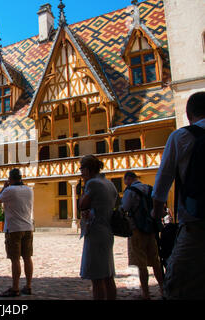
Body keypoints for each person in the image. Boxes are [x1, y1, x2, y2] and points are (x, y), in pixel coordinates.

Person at [152, 92, 205, 300]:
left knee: (176, 282)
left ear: (188, 114)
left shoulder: (181, 136)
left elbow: (162, 183)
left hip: (196, 224)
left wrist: (156, 215)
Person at [78, 155, 118, 300]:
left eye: (82, 169)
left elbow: (82, 205)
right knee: (108, 274)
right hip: (108, 231)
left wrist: (84, 186)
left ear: (88, 169)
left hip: (96, 232)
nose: (81, 172)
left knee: (97, 277)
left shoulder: (92, 183)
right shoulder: (110, 183)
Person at [121, 171, 163, 299]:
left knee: (141, 262)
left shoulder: (130, 191)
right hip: (150, 229)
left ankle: (145, 292)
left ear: (128, 179)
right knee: (156, 260)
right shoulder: (149, 188)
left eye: (125, 181)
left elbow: (125, 208)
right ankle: (163, 288)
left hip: (136, 229)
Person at [0, 168, 34, 297]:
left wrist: (4, 187)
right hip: (28, 227)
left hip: (13, 229)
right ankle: (28, 286)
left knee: (15, 259)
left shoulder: (9, 190)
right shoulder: (29, 190)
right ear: (21, 178)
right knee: (27, 258)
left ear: (10, 179)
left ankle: (15, 287)